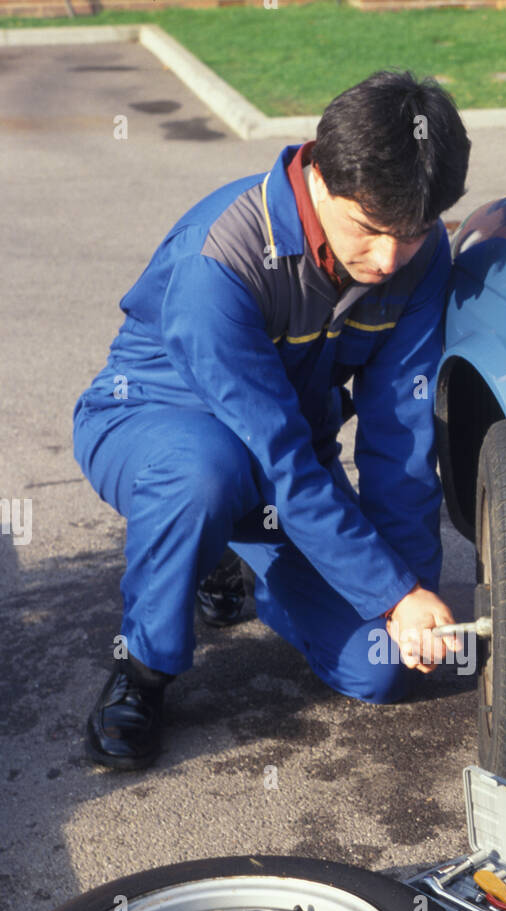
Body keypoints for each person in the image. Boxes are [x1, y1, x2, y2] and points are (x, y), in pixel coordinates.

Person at [72, 70, 471, 770]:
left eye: (409, 237)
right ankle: (142, 670)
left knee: (379, 669)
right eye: (371, 231)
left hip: (283, 464)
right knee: (204, 473)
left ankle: (235, 562)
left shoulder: (419, 251)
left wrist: (408, 594)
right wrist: (390, 590)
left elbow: (400, 440)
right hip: (155, 425)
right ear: (320, 172)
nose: (387, 261)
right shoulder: (219, 261)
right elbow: (281, 459)